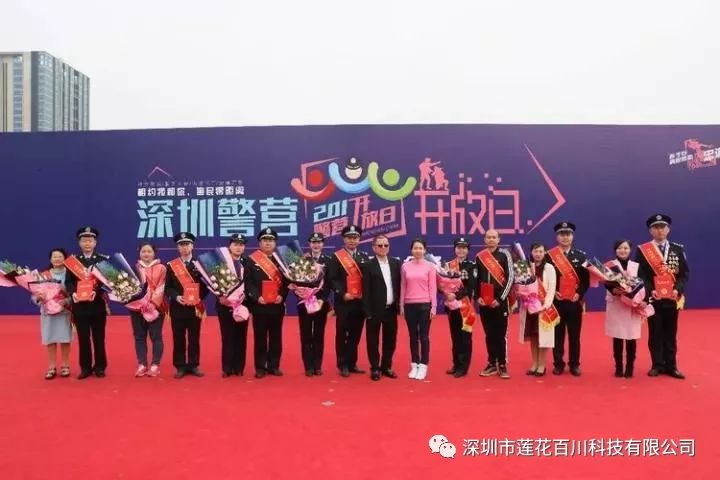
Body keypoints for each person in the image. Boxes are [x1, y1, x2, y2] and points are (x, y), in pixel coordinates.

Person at [635, 214, 690, 379]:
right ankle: (657, 365)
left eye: (662, 227)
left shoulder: (677, 249)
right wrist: (650, 290)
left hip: (672, 299)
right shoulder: (643, 250)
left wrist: (677, 290)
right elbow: (640, 275)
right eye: (656, 227)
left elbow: (684, 274)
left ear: (668, 229)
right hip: (654, 299)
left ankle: (672, 366)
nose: (659, 230)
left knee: (671, 333)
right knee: (655, 332)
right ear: (650, 231)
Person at [64, 226, 109, 379]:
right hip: (80, 305)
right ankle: (85, 368)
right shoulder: (73, 261)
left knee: (98, 337)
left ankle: (100, 367)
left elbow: (107, 282)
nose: (87, 243)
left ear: (95, 243)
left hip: (97, 304)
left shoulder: (102, 259)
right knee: (83, 338)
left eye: (90, 240)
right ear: (79, 243)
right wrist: (73, 293)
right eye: (84, 240)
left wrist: (97, 292)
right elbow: (68, 282)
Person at [546, 222, 590, 377]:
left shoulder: (581, 256)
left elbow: (585, 281)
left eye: (568, 234)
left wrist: (579, 293)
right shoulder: (549, 256)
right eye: (562, 234)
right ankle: (558, 363)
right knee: (557, 335)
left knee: (574, 336)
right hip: (557, 302)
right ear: (556, 237)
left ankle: (574, 364)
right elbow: (545, 279)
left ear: (572, 236)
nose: (565, 237)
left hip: (574, 302)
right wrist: (553, 293)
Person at [245, 228, 289, 378]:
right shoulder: (251, 260)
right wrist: (257, 297)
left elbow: (287, 281)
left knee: (276, 337)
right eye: (265, 240)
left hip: (277, 305)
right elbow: (248, 282)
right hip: (259, 306)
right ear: (260, 243)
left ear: (275, 243)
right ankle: (260, 367)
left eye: (271, 240)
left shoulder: (282, 259)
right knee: (260, 338)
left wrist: (282, 296)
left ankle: (274, 366)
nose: (268, 243)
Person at [327, 224, 369, 377]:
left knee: (355, 334)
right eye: (349, 238)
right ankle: (342, 364)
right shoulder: (336, 257)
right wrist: (342, 293)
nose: (352, 240)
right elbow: (332, 279)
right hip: (344, 302)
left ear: (359, 239)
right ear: (344, 239)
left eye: (355, 237)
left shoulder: (364, 256)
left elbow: (367, 280)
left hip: (359, 303)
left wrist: (365, 293)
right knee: (342, 334)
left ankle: (352, 363)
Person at [166, 232, 209, 379]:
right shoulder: (171, 265)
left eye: (187, 244)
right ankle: (180, 366)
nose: (184, 247)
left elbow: (207, 286)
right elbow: (167, 287)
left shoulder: (200, 264)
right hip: (178, 307)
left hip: (195, 307)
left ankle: (194, 365)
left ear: (192, 246)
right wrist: (176, 297)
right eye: (181, 245)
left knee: (194, 338)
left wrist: (199, 298)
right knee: (178, 338)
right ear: (177, 247)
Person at [361, 235, 401, 381]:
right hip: (374, 309)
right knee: (372, 340)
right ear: (373, 248)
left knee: (390, 339)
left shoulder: (396, 263)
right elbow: (365, 290)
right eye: (380, 245)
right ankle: (375, 368)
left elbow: (399, 286)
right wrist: (367, 311)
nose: (383, 248)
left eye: (386, 245)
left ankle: (386, 366)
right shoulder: (368, 265)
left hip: (391, 309)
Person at [475, 229, 514, 379]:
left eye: (494, 237)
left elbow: (510, 278)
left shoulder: (505, 255)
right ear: (484, 239)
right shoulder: (480, 256)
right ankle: (491, 363)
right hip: (484, 303)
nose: (491, 239)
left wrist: (500, 299)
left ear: (498, 239)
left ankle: (502, 364)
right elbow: (476, 279)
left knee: (500, 335)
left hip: (500, 303)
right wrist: (477, 297)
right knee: (489, 334)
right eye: (488, 237)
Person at [605, 239, 644, 378]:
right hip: (616, 304)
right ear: (615, 250)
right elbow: (606, 283)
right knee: (618, 336)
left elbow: (643, 283)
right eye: (620, 248)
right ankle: (619, 367)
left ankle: (630, 367)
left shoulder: (636, 266)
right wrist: (614, 290)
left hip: (632, 305)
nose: (623, 251)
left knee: (631, 337)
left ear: (630, 250)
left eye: (626, 248)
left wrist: (640, 298)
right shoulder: (610, 265)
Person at [517, 242, 557, 376]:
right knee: (533, 337)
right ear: (531, 252)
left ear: (545, 253)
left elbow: (551, 289)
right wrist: (523, 297)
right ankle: (534, 363)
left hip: (544, 308)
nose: (538, 254)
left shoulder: (549, 268)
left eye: (541, 251)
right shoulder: (525, 267)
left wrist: (545, 305)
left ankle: (542, 365)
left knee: (543, 337)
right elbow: (520, 286)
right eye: (535, 251)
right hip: (529, 308)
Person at [401, 238, 437, 381]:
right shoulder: (405, 266)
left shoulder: (430, 266)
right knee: (412, 336)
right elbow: (403, 286)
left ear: (425, 250)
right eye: (415, 248)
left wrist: (433, 307)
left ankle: (423, 365)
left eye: (420, 248)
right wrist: (401, 305)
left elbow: (432, 287)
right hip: (409, 305)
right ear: (411, 250)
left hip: (424, 305)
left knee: (424, 336)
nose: (417, 251)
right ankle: (414, 364)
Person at [296, 232, 331, 377]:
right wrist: (301, 293)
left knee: (318, 334)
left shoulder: (328, 260)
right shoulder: (302, 260)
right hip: (304, 302)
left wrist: (322, 298)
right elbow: (295, 280)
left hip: (321, 303)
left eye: (319, 242)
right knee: (306, 334)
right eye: (313, 242)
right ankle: (308, 366)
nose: (316, 245)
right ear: (309, 244)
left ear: (323, 244)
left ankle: (317, 365)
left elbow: (329, 283)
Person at [34, 248, 73, 380]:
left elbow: (74, 292)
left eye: (60, 256)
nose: (57, 259)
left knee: (65, 339)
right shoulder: (43, 275)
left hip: (64, 311)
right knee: (50, 339)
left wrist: (66, 300)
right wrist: (39, 298)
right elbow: (35, 295)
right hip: (48, 312)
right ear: (50, 259)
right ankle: (51, 367)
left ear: (65, 258)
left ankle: (65, 366)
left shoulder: (70, 273)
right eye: (54, 257)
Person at [131, 242, 167, 377]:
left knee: (156, 336)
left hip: (156, 308)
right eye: (143, 251)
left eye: (149, 251)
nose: (146, 254)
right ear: (139, 253)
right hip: (137, 308)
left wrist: (152, 303)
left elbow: (162, 286)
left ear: (154, 253)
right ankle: (142, 364)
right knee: (139, 336)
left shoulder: (162, 268)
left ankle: (155, 364)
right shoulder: (134, 268)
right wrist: (138, 302)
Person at [217, 234, 250, 377]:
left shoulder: (248, 262)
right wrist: (220, 297)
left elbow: (252, 282)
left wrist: (247, 296)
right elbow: (213, 281)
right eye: (235, 244)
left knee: (241, 337)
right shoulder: (222, 262)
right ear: (230, 246)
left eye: (241, 245)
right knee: (227, 336)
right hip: (225, 305)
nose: (238, 247)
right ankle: (227, 368)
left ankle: (239, 368)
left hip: (243, 305)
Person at [444, 237, 476, 378]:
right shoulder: (449, 265)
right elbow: (443, 284)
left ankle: (463, 367)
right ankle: (456, 363)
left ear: (468, 250)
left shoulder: (472, 266)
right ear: (454, 249)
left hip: (465, 307)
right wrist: (445, 292)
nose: (461, 250)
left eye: (464, 248)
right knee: (455, 336)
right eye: (458, 247)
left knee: (465, 338)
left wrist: (456, 295)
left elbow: (470, 287)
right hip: (452, 308)